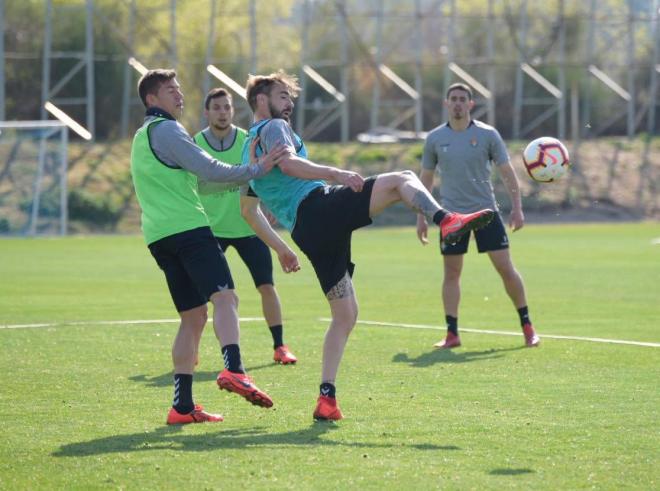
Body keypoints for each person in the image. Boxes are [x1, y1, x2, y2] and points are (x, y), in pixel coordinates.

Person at [238, 70, 495, 420]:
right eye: (283, 95)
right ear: (262, 100)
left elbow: (248, 212)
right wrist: (338, 174)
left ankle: (326, 398)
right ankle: (446, 220)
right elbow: (291, 164)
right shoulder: (273, 128)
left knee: (345, 313)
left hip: (306, 231)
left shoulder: (246, 149)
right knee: (403, 178)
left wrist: (281, 248)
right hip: (319, 208)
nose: (290, 102)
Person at [130, 68, 297, 425]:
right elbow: (208, 169)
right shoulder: (168, 130)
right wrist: (257, 167)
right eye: (170, 90)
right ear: (151, 99)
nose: (179, 95)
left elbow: (200, 185)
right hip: (190, 230)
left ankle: (182, 407)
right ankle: (235, 368)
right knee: (226, 298)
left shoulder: (141, 138)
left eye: (179, 88)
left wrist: (246, 179)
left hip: (159, 237)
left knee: (193, 317)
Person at [416, 82, 540, 350]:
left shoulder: (488, 135)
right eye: (454, 99)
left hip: (486, 212)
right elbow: (425, 180)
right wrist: (422, 216)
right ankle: (452, 333)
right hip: (451, 217)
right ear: (446, 104)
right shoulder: (435, 139)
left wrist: (517, 207)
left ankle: (528, 326)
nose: (458, 103)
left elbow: (507, 172)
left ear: (470, 104)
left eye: (463, 99)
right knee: (451, 273)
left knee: (505, 269)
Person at [194, 87, 297, 365]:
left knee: (267, 286)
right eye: (216, 107)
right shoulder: (196, 143)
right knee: (206, 295)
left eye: (227, 107)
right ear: (207, 112)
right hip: (212, 230)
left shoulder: (247, 138)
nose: (223, 112)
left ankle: (280, 346)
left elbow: (264, 175)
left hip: (249, 228)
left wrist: (269, 204)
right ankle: (192, 349)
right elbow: (195, 186)